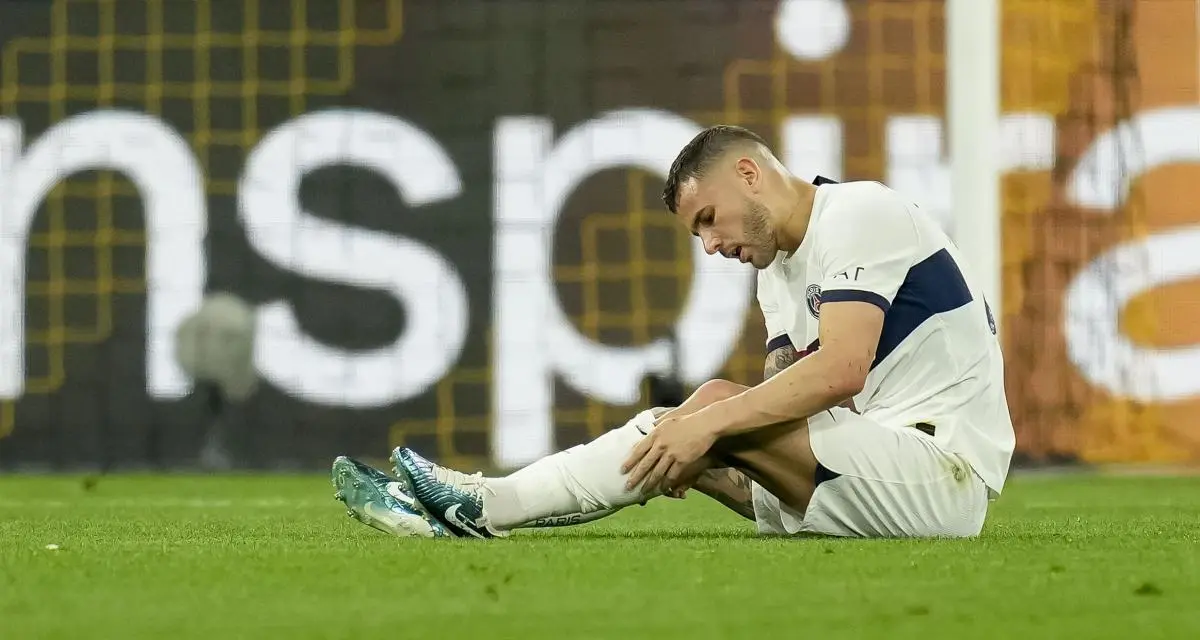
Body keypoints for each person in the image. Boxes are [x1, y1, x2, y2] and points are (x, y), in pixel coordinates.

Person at [331, 124, 1015, 539]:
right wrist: (705, 448)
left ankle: (483, 501)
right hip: (869, 472)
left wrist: (708, 428)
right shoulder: (775, 273)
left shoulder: (860, 213)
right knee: (699, 416)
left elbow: (841, 372)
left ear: (750, 174)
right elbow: (783, 403)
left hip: (940, 478)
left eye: (710, 219)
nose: (711, 244)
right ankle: (457, 510)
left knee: (709, 409)